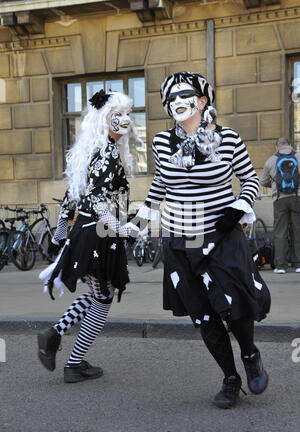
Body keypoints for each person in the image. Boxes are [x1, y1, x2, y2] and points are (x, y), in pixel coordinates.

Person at [135, 71, 270, 409]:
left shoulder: (227, 137)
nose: (177, 101)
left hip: (221, 235)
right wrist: (141, 218)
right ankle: (230, 378)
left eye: (185, 94)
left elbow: (250, 179)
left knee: (234, 305)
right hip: (179, 239)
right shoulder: (162, 143)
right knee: (204, 315)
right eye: (171, 98)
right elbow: (162, 185)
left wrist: (239, 206)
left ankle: (250, 354)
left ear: (203, 100)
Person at [37, 90, 141, 383]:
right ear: (102, 121)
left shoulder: (95, 151)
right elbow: (95, 198)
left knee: (99, 295)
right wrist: (120, 227)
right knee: (103, 298)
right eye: (116, 115)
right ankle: (73, 361)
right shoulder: (107, 152)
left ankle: (54, 336)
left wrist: (60, 233)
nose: (124, 120)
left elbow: (72, 196)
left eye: (126, 114)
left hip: (90, 234)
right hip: (97, 235)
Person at [260, 137, 300, 274]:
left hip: (279, 199)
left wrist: (274, 184)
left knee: (280, 232)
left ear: (277, 147)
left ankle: (281, 266)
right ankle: (298, 264)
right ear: (290, 145)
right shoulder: (298, 156)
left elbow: (263, 181)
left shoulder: (271, 160)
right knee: (298, 229)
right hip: (297, 198)